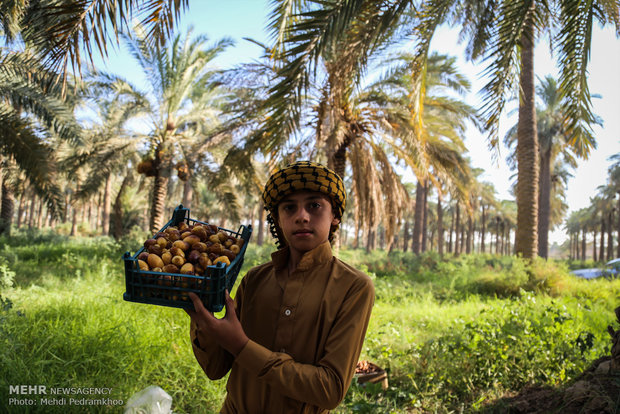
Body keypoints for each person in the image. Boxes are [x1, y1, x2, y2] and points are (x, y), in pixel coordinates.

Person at [186, 160, 375, 413]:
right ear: (277, 218)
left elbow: (330, 390)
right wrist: (204, 320)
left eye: (314, 205)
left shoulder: (354, 287)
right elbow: (215, 369)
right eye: (289, 207)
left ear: (335, 217)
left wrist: (242, 345)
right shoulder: (254, 280)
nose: (302, 216)